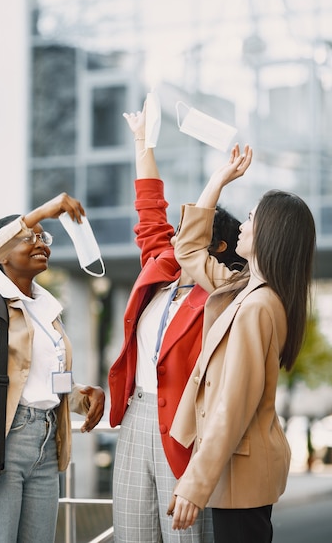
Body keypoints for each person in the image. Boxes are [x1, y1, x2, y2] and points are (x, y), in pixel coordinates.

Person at [109, 104, 246, 543]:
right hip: (136, 416)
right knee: (131, 532)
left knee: (183, 537)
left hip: (186, 429)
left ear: (217, 244)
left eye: (191, 229)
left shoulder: (225, 295)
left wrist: (220, 178)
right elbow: (150, 207)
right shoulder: (163, 267)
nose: (177, 235)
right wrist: (142, 142)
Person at [167, 144, 316, 543]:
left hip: (242, 473)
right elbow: (187, 248)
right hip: (239, 471)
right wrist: (218, 180)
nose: (240, 227)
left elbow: (233, 404)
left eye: (249, 219)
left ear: (271, 233)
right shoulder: (244, 290)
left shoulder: (257, 306)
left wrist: (194, 484)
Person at [0, 192, 105, 543]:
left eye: (43, 237)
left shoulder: (48, 311)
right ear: (2, 254)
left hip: (47, 444)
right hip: (3, 442)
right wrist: (40, 213)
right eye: (28, 238)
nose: (40, 243)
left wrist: (80, 394)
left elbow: (43, 380)